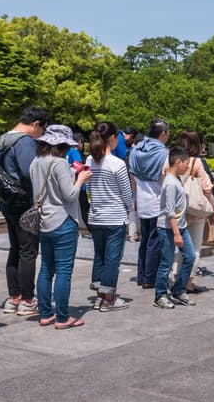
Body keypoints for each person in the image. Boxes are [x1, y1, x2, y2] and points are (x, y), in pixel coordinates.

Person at [31, 124, 92, 329]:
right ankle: (63, 317)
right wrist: (81, 178)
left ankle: (46, 313)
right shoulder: (59, 163)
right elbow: (70, 195)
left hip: (44, 220)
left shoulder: (36, 162)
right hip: (63, 220)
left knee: (46, 268)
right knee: (64, 271)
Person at [0, 106, 49, 316]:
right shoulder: (24, 141)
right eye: (42, 130)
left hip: (6, 200)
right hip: (23, 201)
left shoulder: (2, 139)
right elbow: (30, 171)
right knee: (28, 250)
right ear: (35, 124)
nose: (41, 135)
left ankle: (13, 297)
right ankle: (27, 299)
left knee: (15, 248)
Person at [85, 122, 133, 311]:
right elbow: (126, 193)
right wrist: (129, 210)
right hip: (115, 217)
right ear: (113, 138)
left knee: (99, 256)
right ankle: (109, 298)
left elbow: (88, 188)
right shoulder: (117, 164)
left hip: (96, 216)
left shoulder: (90, 161)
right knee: (113, 258)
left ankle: (99, 296)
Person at [176, 130, 214, 293]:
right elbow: (207, 188)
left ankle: (176, 278)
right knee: (194, 247)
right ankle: (188, 282)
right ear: (197, 145)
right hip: (194, 209)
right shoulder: (196, 162)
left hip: (177, 210)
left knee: (179, 247)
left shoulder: (173, 160)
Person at [154, 146, 197, 308]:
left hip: (180, 226)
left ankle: (178, 291)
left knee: (190, 256)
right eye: (186, 163)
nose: (187, 167)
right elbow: (169, 211)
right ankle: (160, 295)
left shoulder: (175, 178)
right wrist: (176, 233)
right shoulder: (170, 183)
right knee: (166, 262)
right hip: (168, 228)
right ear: (178, 162)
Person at [129, 119, 170, 289]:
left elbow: (132, 175)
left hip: (141, 199)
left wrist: (136, 197)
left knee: (145, 239)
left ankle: (142, 275)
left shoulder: (136, 149)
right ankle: (149, 278)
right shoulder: (163, 153)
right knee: (155, 241)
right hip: (156, 200)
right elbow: (165, 178)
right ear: (163, 134)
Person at [66, 129, 90, 228]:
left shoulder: (65, 151)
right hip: (79, 185)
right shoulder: (74, 152)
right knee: (85, 208)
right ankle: (91, 229)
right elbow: (78, 167)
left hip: (67, 184)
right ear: (79, 141)